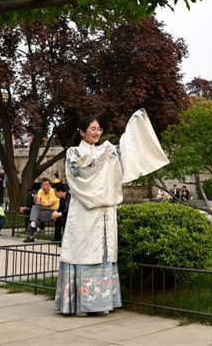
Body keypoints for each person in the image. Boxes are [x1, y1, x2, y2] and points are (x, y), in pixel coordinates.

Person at [54, 110, 168, 316]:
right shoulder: (74, 153)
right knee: (83, 252)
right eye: (92, 129)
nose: (97, 133)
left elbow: (125, 158)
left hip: (106, 212)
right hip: (85, 212)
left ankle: (101, 304)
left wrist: (133, 129)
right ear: (82, 132)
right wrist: (104, 154)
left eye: (99, 129)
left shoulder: (107, 151)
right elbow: (82, 174)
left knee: (103, 253)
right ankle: (80, 305)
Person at [24, 178, 59, 242]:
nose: (45, 187)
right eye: (43, 185)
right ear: (41, 186)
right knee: (35, 208)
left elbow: (49, 204)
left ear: (50, 185)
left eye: (47, 185)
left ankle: (30, 236)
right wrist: (35, 199)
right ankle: (33, 222)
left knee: (35, 217)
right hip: (42, 209)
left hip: (52, 211)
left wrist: (40, 203)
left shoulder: (53, 191)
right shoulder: (40, 191)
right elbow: (37, 202)